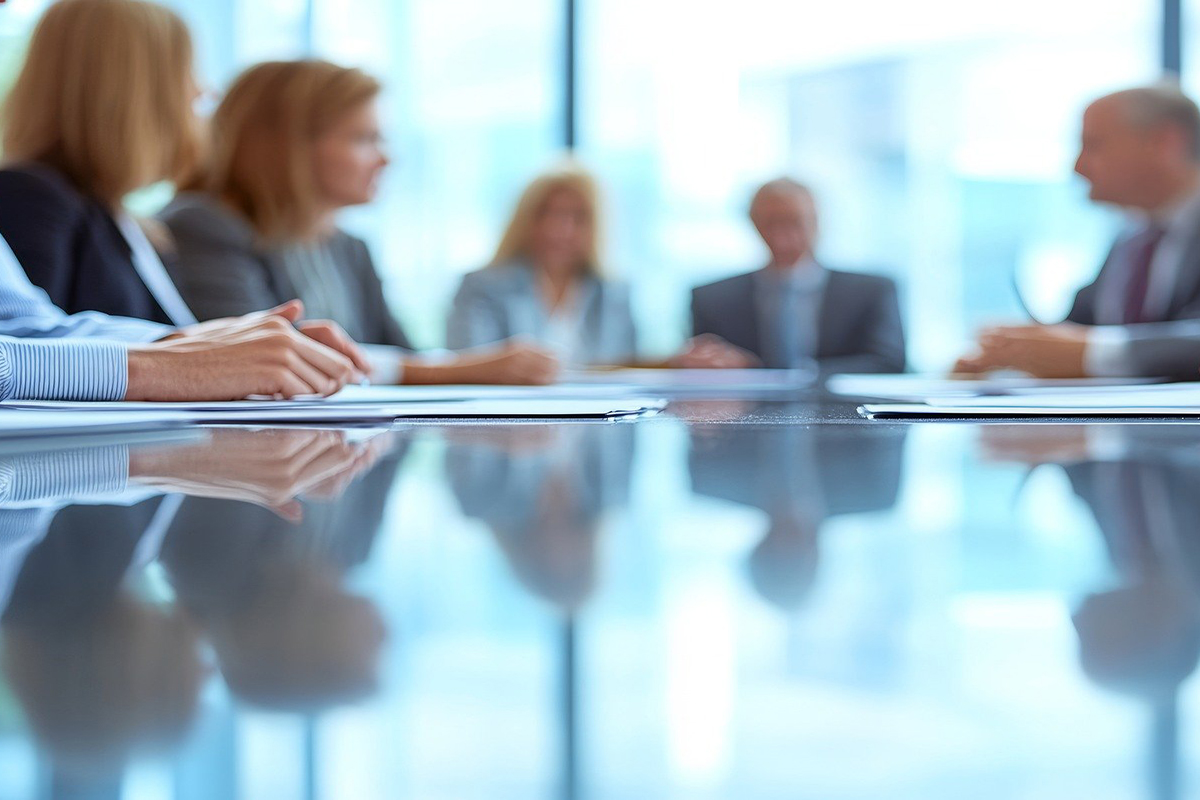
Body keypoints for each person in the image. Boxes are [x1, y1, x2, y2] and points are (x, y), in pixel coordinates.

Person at [0, 0, 370, 401]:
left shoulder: (123, 219)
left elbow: (36, 330)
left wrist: (219, 342)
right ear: (129, 92)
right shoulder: (34, 199)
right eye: (185, 71)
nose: (204, 90)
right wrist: (176, 365)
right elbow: (26, 359)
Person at [161, 59, 558, 386]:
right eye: (364, 139)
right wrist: (468, 370)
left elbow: (403, 355)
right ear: (289, 147)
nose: (386, 158)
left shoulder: (347, 247)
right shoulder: (204, 227)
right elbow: (268, 363)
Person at [958, 84, 1200, 379]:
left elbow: (1091, 347)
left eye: (1093, 145)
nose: (1078, 167)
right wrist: (1017, 354)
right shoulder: (1132, 240)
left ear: (1164, 143)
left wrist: (1093, 354)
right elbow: (1081, 330)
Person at [448, 164, 753, 368]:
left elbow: (620, 366)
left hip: (597, 436)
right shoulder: (482, 287)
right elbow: (471, 368)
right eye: (547, 214)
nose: (560, 229)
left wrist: (674, 363)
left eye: (577, 217)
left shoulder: (613, 291)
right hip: (509, 434)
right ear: (526, 219)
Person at [690, 178, 906, 375]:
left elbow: (889, 362)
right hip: (745, 414)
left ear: (816, 222)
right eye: (770, 222)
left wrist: (800, 373)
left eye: (794, 221)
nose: (782, 236)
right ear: (753, 224)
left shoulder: (872, 291)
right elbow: (704, 368)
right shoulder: (711, 299)